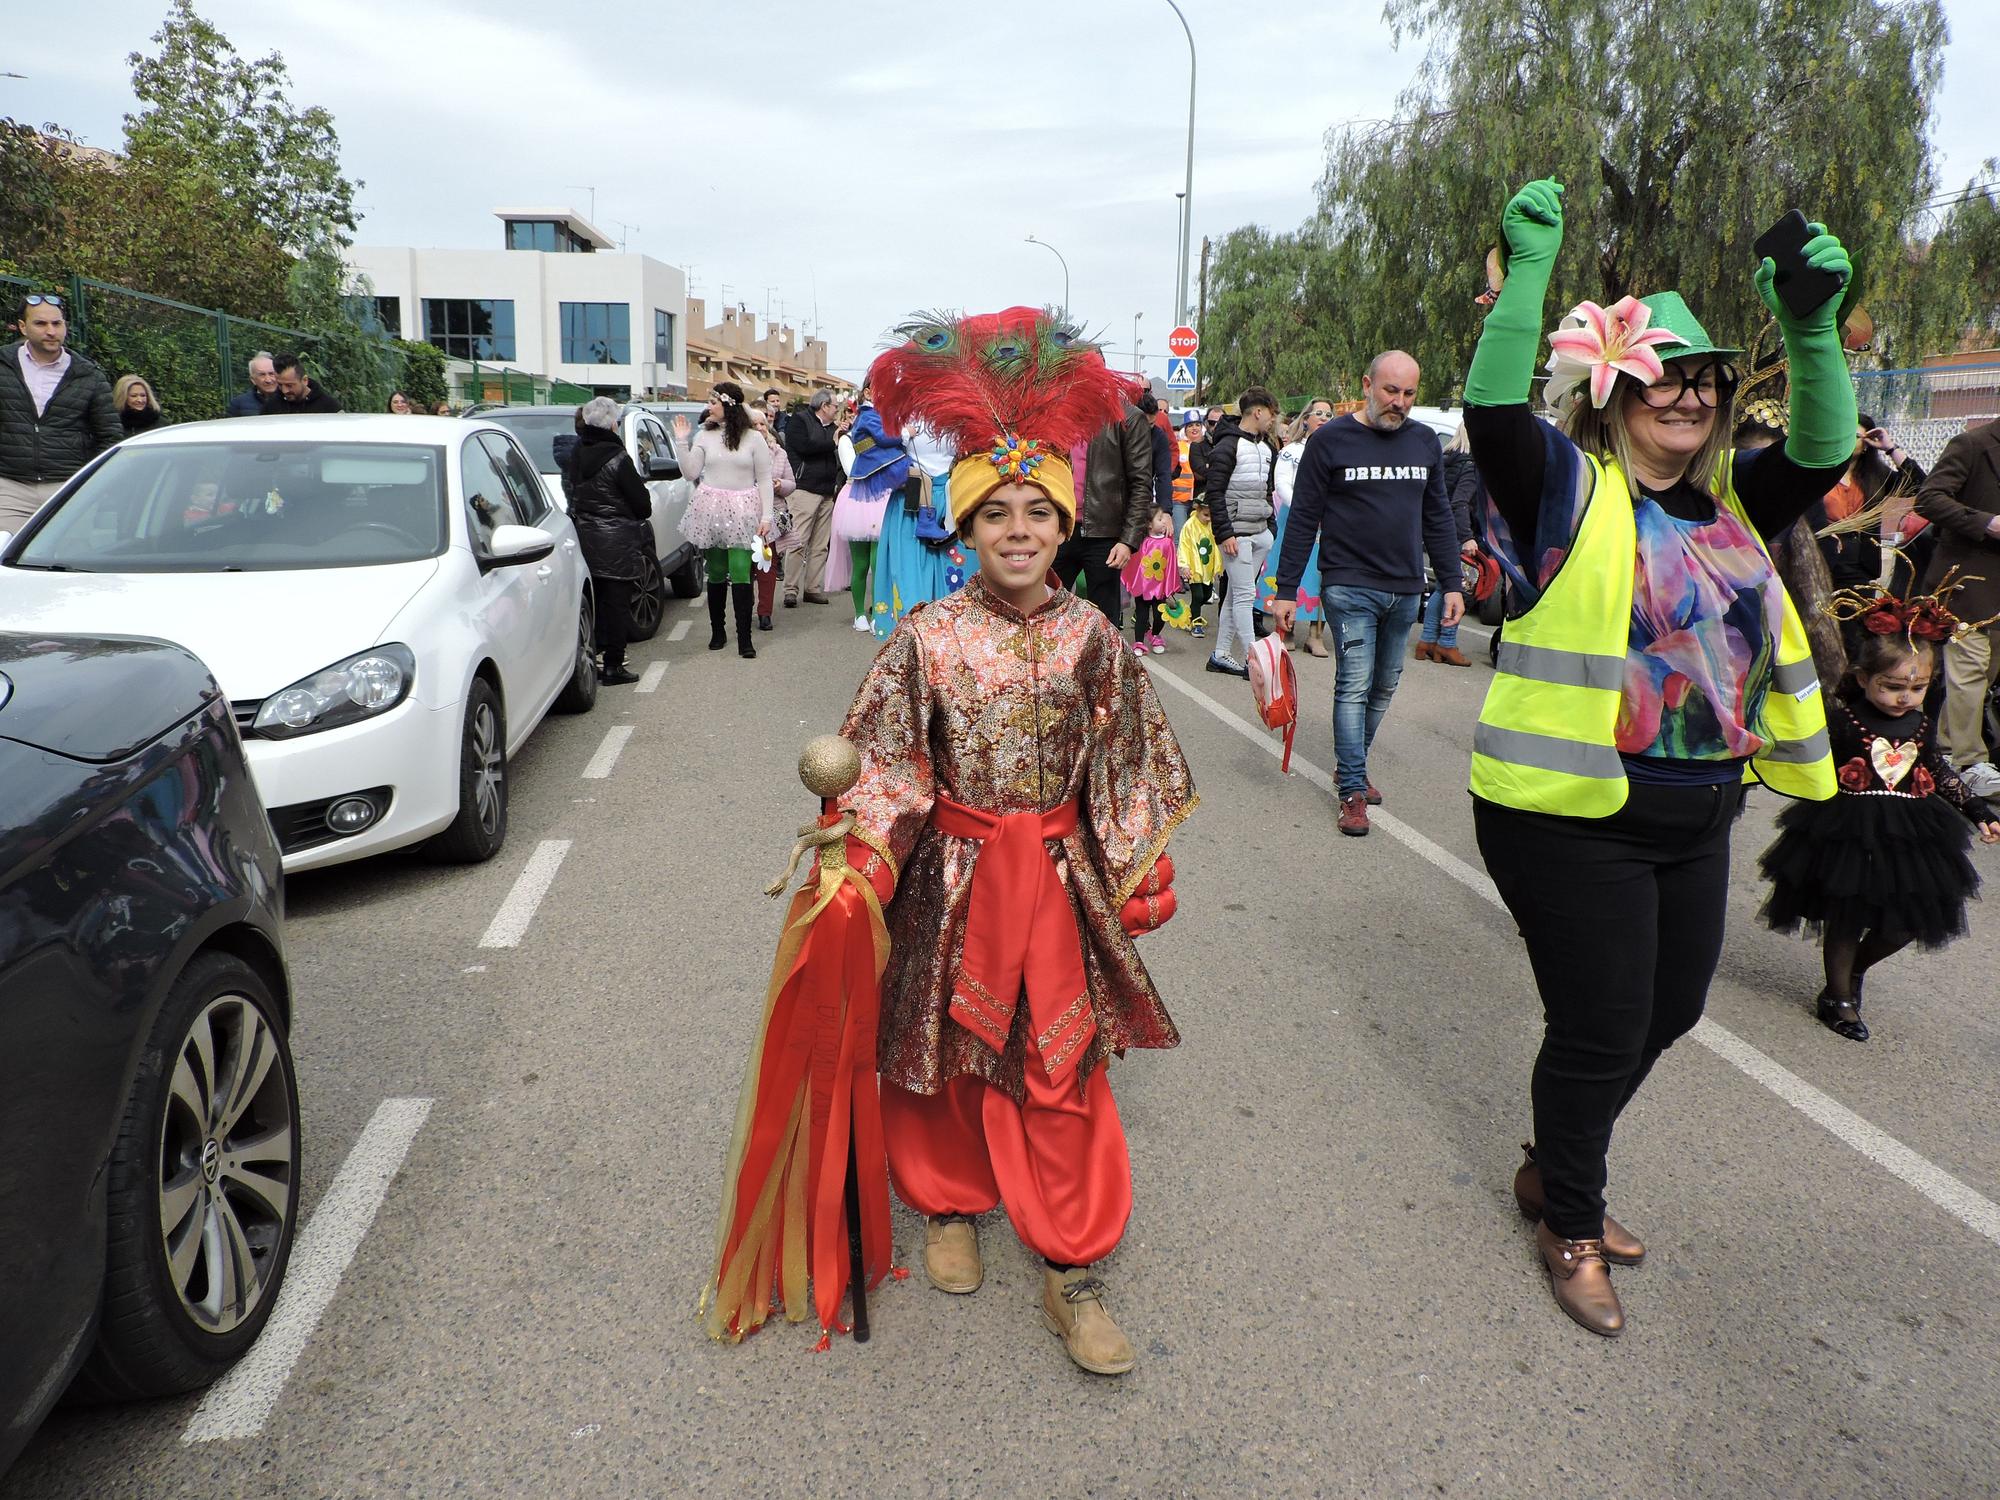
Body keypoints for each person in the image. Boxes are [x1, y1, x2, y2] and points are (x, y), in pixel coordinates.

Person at [703, 305, 1195, 1375]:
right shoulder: (925, 641)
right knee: (939, 1054)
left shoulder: (1093, 639)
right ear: (962, 530)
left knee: (1058, 1066)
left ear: (1064, 529)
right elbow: (882, 766)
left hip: (1056, 889)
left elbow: (1125, 765)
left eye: (1037, 514)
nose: (1017, 531)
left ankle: (1072, 1266)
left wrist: (1136, 865)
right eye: (994, 515)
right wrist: (863, 857)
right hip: (949, 883)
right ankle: (948, 1202)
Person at [1461, 176, 1852, 1337]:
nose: (1685, 394)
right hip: (1563, 812)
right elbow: (1489, 415)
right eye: (1661, 374)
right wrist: (1525, 278)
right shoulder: (1562, 491)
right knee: (1595, 1023)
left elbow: (1825, 444)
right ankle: (1567, 1219)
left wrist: (1811, 327)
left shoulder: (1733, 500)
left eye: (1702, 379)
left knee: (1668, 1009)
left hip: (1697, 808)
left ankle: (1553, 1165)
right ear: (1615, 390)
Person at [1758, 591, 1998, 1041]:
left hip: (1911, 831)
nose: (1905, 697)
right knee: (1846, 912)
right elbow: (1806, 754)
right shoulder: (1844, 720)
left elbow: (1938, 770)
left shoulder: (1922, 726)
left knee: (1909, 918)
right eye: (1892, 686)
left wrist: (1977, 808)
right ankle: (1838, 996)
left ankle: (1854, 971)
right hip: (1847, 828)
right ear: (1864, 678)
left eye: (1917, 687)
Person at [1271, 354, 1462, 834]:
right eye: (1390, 391)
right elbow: (1303, 517)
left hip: (1405, 588)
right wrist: (1286, 590)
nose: (1399, 402)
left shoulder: (1423, 442)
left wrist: (1453, 582)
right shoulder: (1330, 440)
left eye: (1409, 394)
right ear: (1366, 385)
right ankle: (1352, 787)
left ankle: (1349, 762)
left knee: (1385, 684)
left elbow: (1437, 516)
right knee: (1354, 684)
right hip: (1348, 584)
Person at [1913, 418, 2000, 798]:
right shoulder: (1972, 443)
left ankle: (1948, 752)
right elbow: (1928, 498)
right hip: (1967, 584)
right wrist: (1988, 522)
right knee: (1970, 672)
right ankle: (1969, 761)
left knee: (1986, 674)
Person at [0, 292, 121, 535]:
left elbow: (110, 436)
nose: (51, 331)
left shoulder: (89, 375)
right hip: (10, 488)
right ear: (23, 327)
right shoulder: (3, 365)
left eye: (57, 323)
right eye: (41, 323)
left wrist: (88, 484)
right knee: (6, 564)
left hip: (68, 489)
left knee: (66, 567)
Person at [677, 380, 775, 659]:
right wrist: (682, 441)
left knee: (742, 570)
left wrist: (767, 515)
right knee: (717, 572)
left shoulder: (753, 438)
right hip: (712, 509)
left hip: (744, 509)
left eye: (713, 402)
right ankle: (717, 631)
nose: (708, 407)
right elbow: (690, 472)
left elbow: (765, 478)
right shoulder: (704, 435)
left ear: (728, 405)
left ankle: (745, 637)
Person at [567, 397, 652, 685]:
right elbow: (643, 506)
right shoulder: (619, 459)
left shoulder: (576, 453)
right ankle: (614, 665)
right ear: (613, 423)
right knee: (617, 605)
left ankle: (595, 656)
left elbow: (571, 492)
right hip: (616, 540)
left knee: (596, 602)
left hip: (585, 536)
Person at [1054, 391, 1152, 628]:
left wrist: (1128, 541)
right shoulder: (1056, 412)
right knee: (1048, 614)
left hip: (1105, 534)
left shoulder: (1127, 416)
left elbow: (1141, 483)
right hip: (1058, 528)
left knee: (1103, 624)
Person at [868, 419, 972, 639]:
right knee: (910, 588)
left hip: (953, 501)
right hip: (911, 504)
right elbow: (868, 446)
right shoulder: (899, 413)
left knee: (958, 585)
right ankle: (912, 650)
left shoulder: (963, 411)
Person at [1203, 388, 1282, 678]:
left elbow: (1268, 491)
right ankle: (1254, 659)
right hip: (1236, 535)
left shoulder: (1267, 448)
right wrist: (1225, 534)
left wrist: (1269, 529)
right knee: (1245, 596)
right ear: (1258, 412)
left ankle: (1221, 654)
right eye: (1272, 414)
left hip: (1258, 532)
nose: (1273, 421)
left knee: (1237, 596)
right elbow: (1214, 493)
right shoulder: (1227, 446)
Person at [823, 380, 908, 631]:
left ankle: (877, 612)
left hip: (880, 497)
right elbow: (852, 469)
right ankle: (861, 613)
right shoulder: (852, 435)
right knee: (864, 562)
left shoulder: (881, 421)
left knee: (877, 561)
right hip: (860, 499)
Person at [1262, 397, 1336, 658]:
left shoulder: (1337, 451)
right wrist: (1308, 509)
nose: (1324, 418)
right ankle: (1288, 628)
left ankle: (1316, 634)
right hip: (1297, 518)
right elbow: (1281, 484)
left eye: (1329, 414)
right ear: (1306, 419)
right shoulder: (1291, 451)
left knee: (1322, 575)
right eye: (1319, 413)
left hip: (1328, 524)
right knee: (1295, 571)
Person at [1414, 424, 1483, 666]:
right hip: (1455, 535)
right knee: (1455, 588)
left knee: (1442, 589)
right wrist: (1466, 536)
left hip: (1437, 533)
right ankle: (1446, 643)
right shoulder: (1471, 464)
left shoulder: (1446, 459)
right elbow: (1460, 503)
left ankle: (1428, 641)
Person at [782, 390, 843, 607]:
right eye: (835, 405)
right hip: (805, 489)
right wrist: (833, 443)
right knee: (798, 541)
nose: (837, 410)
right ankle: (790, 589)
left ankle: (812, 588)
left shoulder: (835, 429)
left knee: (820, 546)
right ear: (824, 406)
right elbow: (805, 447)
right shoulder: (800, 420)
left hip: (827, 490)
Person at [747, 407, 797, 632]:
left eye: (763, 425)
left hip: (772, 515)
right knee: (745, 565)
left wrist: (780, 485)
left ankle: (764, 612)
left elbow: (791, 483)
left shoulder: (780, 453)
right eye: (754, 424)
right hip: (745, 515)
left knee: (768, 564)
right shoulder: (741, 451)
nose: (759, 428)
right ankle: (744, 606)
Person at [1120, 507, 1181, 657]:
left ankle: (1155, 634)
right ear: (1149, 524)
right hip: (1143, 588)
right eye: (1159, 519)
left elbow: (1171, 566)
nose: (1163, 523)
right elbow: (1136, 564)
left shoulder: (1168, 543)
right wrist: (1136, 584)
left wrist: (1170, 586)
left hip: (1160, 589)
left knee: (1160, 616)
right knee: (1141, 615)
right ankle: (1139, 641)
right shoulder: (1142, 542)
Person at [260, 353, 342, 414]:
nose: (285, 391)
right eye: (280, 385)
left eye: (289, 385)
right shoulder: (271, 406)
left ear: (304, 380)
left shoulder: (329, 407)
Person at [226, 351, 277, 416]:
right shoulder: (238, 405)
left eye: (271, 374)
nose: (268, 380)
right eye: (262, 375)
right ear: (253, 379)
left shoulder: (290, 399)